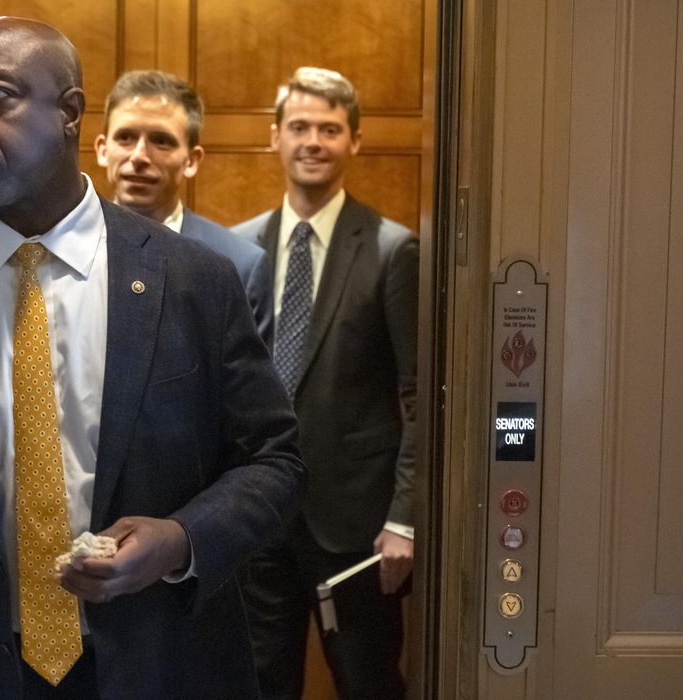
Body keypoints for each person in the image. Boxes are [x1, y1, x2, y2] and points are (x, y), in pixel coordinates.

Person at [0, 17, 305, 699]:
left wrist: (180, 539)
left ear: (70, 113)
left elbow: (276, 462)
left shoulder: (193, 281)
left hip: (159, 667)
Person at [233, 67, 418, 699]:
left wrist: (404, 519)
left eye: (330, 130)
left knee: (368, 684)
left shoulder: (394, 250)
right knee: (261, 687)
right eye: (300, 127)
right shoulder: (238, 250)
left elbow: (417, 397)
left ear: (354, 142)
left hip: (357, 528)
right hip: (259, 519)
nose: (313, 141)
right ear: (276, 137)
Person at [94, 70, 272, 344]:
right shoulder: (61, 251)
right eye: (125, 137)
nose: (139, 156)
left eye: (161, 141)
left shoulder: (240, 265)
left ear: (192, 160)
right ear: (103, 150)